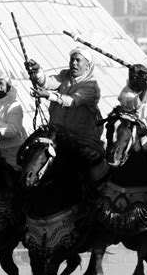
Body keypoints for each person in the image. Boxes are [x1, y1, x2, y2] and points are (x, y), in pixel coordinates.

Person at [25, 46, 106, 182]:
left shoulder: (91, 86)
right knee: (29, 151)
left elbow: (73, 101)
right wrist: (37, 71)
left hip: (81, 138)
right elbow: (48, 82)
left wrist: (49, 96)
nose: (73, 63)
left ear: (87, 66)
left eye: (78, 60)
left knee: (82, 170)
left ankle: (90, 196)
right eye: (72, 60)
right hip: (58, 134)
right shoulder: (65, 75)